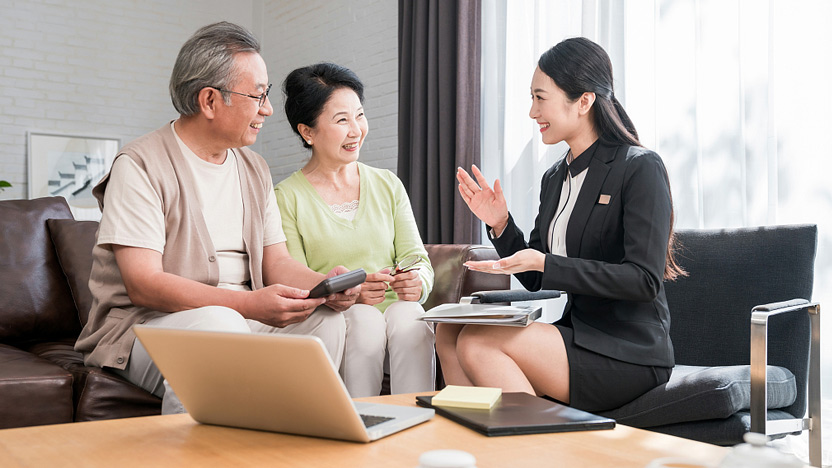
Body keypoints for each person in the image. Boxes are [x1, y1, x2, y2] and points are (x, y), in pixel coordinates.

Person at [75, 22, 358, 414]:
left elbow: (275, 261)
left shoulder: (254, 167)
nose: (268, 109)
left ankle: (291, 444)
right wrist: (247, 306)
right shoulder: (140, 164)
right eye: (258, 96)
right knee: (219, 327)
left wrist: (324, 286)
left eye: (267, 94)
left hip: (235, 321)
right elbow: (144, 285)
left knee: (325, 323)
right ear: (209, 101)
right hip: (146, 329)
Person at [438, 37, 685, 412]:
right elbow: (539, 275)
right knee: (448, 333)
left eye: (541, 98)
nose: (533, 112)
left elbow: (643, 280)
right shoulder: (555, 177)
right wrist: (501, 225)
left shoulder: (639, 168)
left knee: (477, 342)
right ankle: (484, 450)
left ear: (583, 101)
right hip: (578, 334)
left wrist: (545, 264)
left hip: (630, 351)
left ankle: (541, 449)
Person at [275, 63, 436, 397]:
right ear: (308, 132)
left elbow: (416, 257)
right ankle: (362, 424)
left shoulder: (387, 184)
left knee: (412, 315)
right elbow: (292, 276)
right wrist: (351, 294)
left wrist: (416, 281)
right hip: (339, 318)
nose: (356, 130)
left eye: (359, 116)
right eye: (341, 120)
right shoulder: (286, 197)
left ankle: (416, 425)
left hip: (396, 313)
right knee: (365, 321)